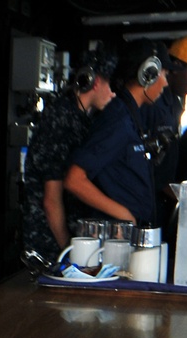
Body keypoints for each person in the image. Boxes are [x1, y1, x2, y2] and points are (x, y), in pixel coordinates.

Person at [20, 50, 115, 266]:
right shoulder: (60, 120)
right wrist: (68, 254)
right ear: (96, 82)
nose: (113, 94)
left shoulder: (80, 118)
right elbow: (51, 200)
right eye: (110, 86)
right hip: (50, 246)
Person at [64, 39, 169, 229]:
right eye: (164, 74)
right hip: (117, 237)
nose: (165, 83)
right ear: (148, 74)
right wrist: (124, 215)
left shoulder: (129, 117)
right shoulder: (118, 120)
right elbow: (74, 179)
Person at [141, 35, 187, 230]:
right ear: (176, 65)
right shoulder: (151, 101)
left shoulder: (174, 103)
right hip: (145, 204)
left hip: (163, 204)